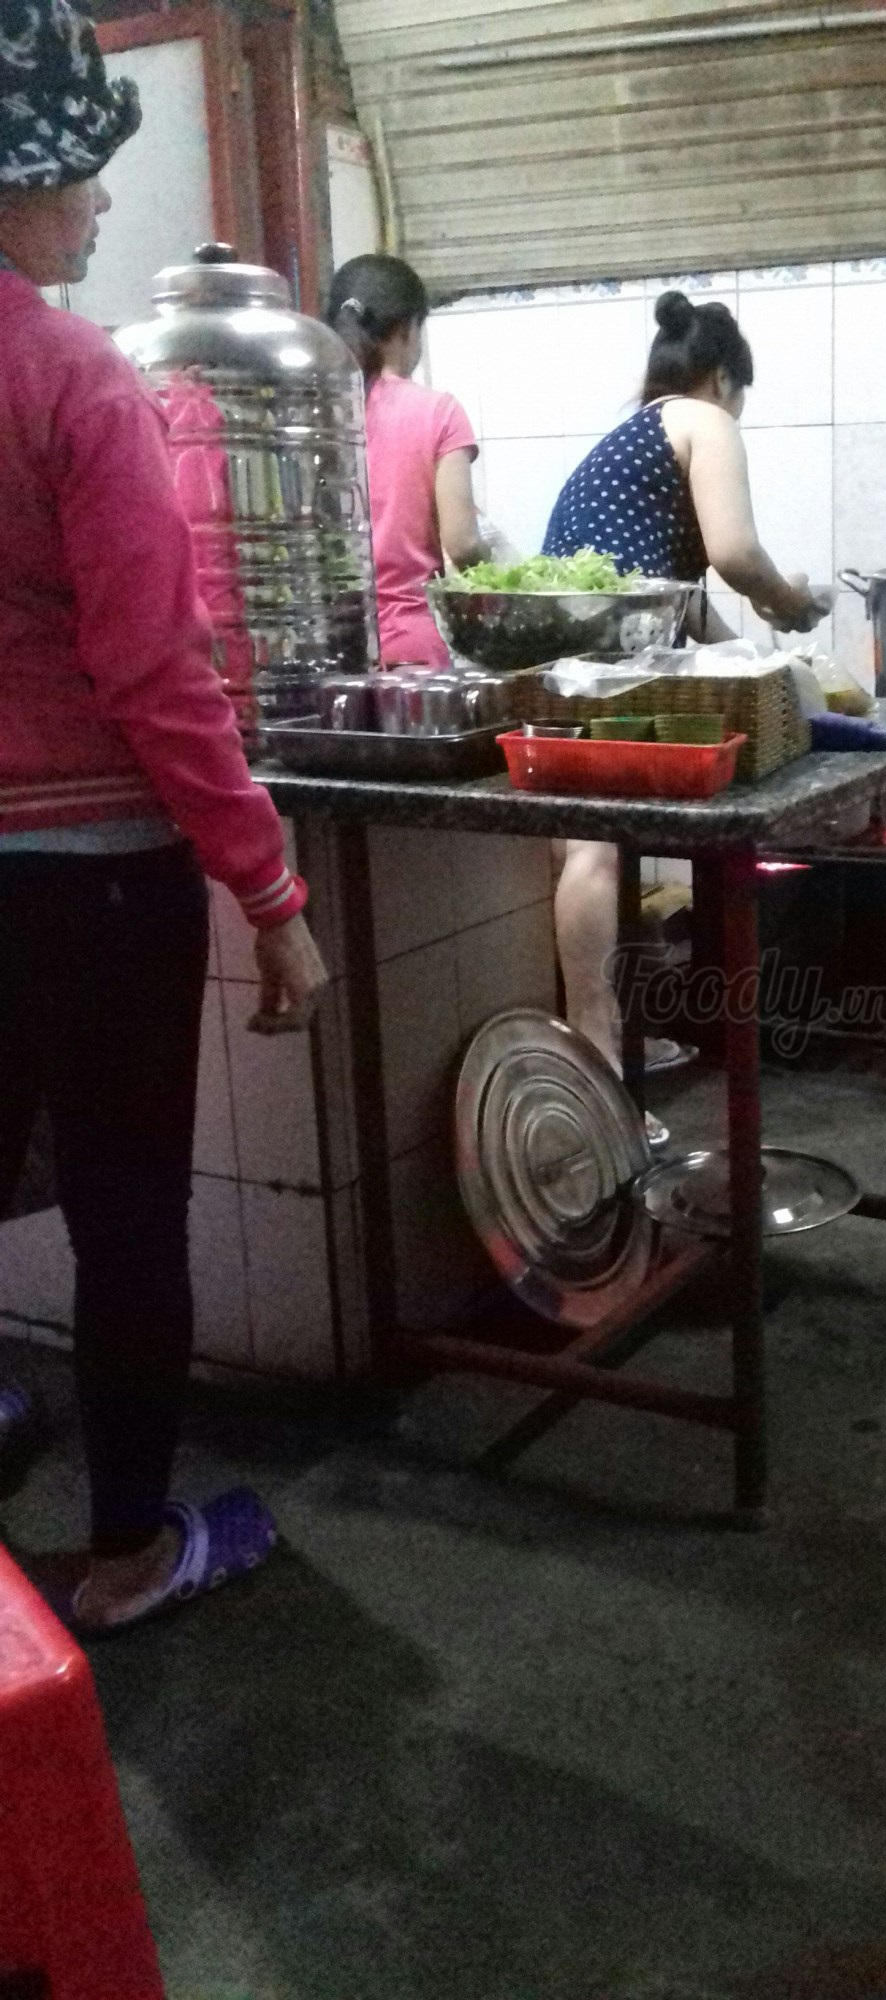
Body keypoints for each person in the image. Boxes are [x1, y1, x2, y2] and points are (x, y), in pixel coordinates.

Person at [0, 0, 328, 1634]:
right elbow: (153, 669)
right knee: (129, 1216)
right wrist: (272, 893)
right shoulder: (72, 377)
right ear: (19, 181)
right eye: (81, 170)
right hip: (93, 883)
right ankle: (130, 1553)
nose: (101, 202)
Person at [542, 292, 831, 1095]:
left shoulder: (631, 438)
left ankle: (609, 1035)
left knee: (586, 847)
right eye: (740, 396)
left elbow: (679, 597)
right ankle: (598, 1058)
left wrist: (751, 657)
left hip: (561, 651)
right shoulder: (704, 419)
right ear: (722, 379)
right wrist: (788, 603)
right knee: (597, 850)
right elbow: (735, 552)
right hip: (608, 654)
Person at [326, 254, 489, 667]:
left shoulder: (314, 412)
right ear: (406, 329)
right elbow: (463, 543)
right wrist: (500, 579)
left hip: (328, 649)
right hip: (410, 650)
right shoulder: (439, 411)